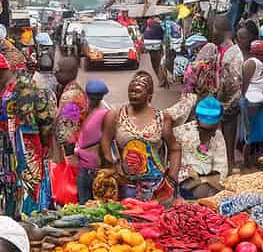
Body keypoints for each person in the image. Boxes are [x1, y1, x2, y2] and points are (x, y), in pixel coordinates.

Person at [0, 51, 57, 218]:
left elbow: (46, 120)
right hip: (9, 151)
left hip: (26, 148)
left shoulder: (25, 87)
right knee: (10, 187)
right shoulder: (3, 90)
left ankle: (29, 223)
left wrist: (45, 145)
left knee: (28, 188)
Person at [101, 71, 180, 201]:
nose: (133, 94)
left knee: (154, 217)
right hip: (125, 185)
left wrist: (172, 178)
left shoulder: (162, 118)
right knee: (124, 218)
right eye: (131, 91)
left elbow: (175, 148)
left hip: (155, 186)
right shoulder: (116, 115)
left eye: (137, 91)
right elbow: (106, 141)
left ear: (149, 95)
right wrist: (113, 164)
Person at [175, 96, 229, 199]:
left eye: (213, 129)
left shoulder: (218, 136)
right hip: (185, 186)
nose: (210, 134)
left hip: (210, 184)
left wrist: (206, 180)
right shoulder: (182, 134)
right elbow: (176, 168)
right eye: (205, 130)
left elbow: (221, 169)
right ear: (196, 120)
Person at [214, 16, 243, 175]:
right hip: (225, 97)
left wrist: (220, 99)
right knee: (225, 131)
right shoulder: (224, 49)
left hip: (229, 98)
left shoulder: (231, 53)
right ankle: (227, 162)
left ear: (220, 31)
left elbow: (231, 81)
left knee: (229, 131)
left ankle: (230, 163)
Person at [75, 80, 111, 203]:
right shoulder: (87, 111)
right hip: (84, 166)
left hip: (92, 167)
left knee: (88, 204)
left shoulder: (104, 114)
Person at [240, 37, 263, 160]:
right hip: (250, 101)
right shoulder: (252, 63)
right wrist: (244, 99)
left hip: (259, 101)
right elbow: (244, 84)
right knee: (250, 133)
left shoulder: (262, 64)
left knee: (258, 131)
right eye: (262, 54)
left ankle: (256, 158)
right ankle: (247, 160)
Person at [54, 56, 88, 158]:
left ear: (68, 73)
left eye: (58, 70)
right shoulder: (74, 88)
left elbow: (67, 133)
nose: (55, 73)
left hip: (71, 150)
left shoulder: (70, 97)